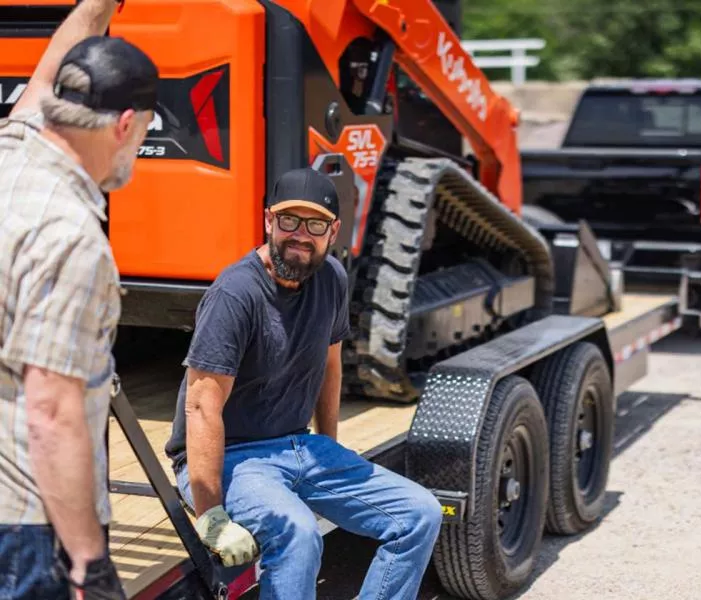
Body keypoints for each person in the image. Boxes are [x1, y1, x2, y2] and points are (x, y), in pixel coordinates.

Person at [164, 167, 444, 599]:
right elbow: (201, 405)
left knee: (420, 513)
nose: (299, 234)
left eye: (314, 224)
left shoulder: (331, 278)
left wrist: (329, 446)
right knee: (299, 534)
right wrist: (210, 514)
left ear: (332, 232)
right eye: (289, 220)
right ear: (268, 221)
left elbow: (329, 366)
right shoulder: (235, 293)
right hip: (234, 458)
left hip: (300, 447)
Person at [0, 3, 159, 597]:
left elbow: (44, 77)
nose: (138, 147)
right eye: (144, 131)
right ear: (123, 125)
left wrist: (100, 5)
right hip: (25, 523)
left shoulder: (12, 149)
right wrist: (90, 561)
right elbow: (52, 413)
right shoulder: (72, 240)